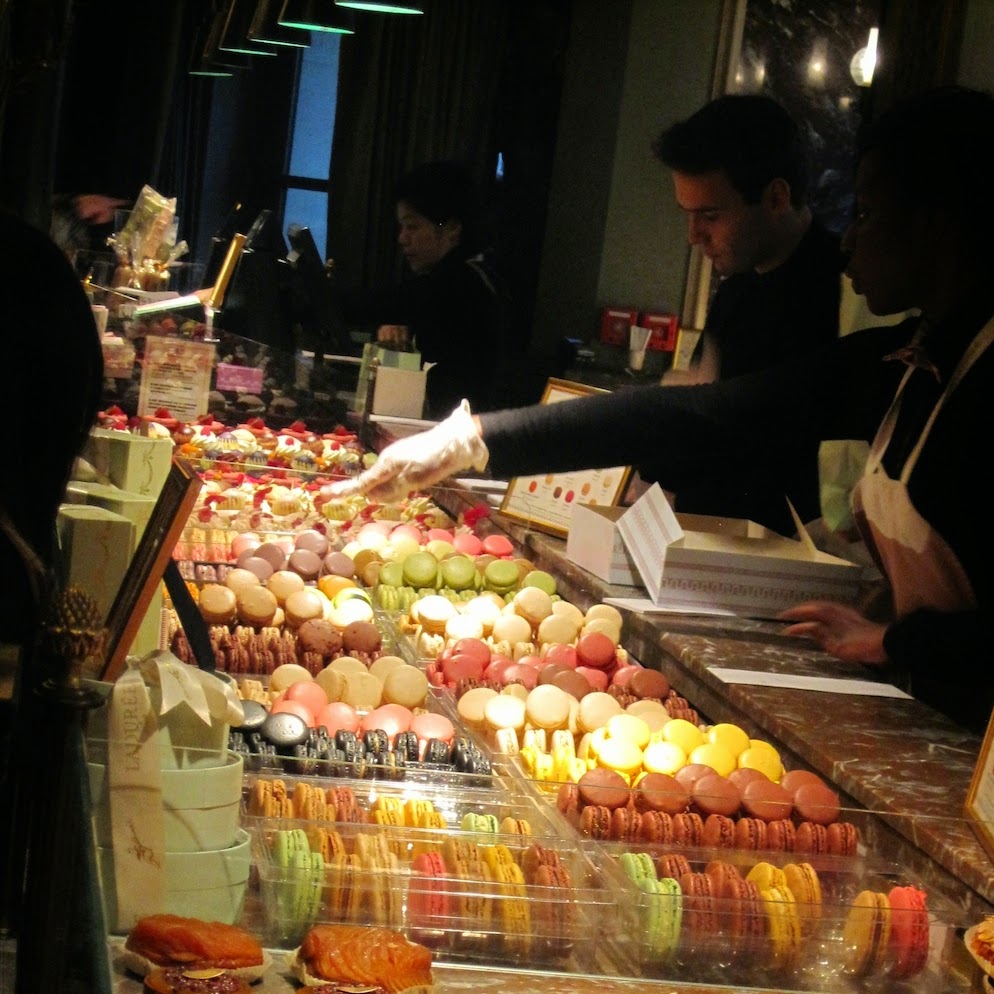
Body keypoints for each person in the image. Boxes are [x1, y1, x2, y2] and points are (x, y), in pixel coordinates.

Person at [325, 85, 994, 735]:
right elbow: (699, 413)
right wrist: (472, 439)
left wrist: (900, 641)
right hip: (922, 702)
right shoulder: (905, 358)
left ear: (935, 223)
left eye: (867, 214)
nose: (849, 240)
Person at [652, 95, 844, 535]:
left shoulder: (848, 291)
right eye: (688, 215)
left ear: (776, 197)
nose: (693, 236)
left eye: (709, 215)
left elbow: (794, 469)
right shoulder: (736, 288)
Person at [336, 160, 508, 420]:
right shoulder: (471, 275)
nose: (402, 238)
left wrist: (316, 297)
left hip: (457, 434)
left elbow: (383, 303)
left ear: (452, 229)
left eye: (412, 226)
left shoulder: (460, 283)